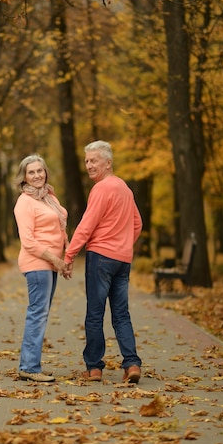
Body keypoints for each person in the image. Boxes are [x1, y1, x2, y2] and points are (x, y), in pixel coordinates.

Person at [64, 140, 143, 384]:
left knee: (95, 314)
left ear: (108, 163)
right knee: (121, 314)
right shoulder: (125, 189)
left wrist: (69, 255)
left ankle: (94, 368)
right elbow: (137, 224)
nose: (88, 165)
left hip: (100, 259)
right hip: (122, 260)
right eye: (86, 161)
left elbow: (86, 226)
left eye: (94, 160)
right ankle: (131, 364)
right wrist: (123, 244)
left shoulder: (101, 189)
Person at [14, 154, 69, 383]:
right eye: (31, 172)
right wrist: (55, 260)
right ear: (24, 177)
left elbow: (61, 229)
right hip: (37, 263)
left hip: (52, 263)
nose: (37, 175)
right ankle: (29, 367)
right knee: (37, 313)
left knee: (41, 313)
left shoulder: (48, 197)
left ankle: (30, 364)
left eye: (40, 171)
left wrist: (65, 257)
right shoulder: (25, 202)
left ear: (45, 172)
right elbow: (28, 241)